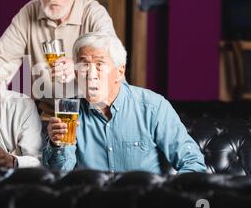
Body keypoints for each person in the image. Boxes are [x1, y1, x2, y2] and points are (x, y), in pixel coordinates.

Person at [43, 33, 207, 174]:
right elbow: (60, 174)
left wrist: (168, 196)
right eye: (84, 65)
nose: (91, 74)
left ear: (119, 72)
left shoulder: (152, 106)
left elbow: (193, 162)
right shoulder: (69, 111)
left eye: (100, 64)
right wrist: (57, 144)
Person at [0, 0, 116, 116]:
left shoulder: (93, 13)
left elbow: (112, 59)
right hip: (47, 117)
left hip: (91, 114)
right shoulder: (29, 12)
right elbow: (0, 64)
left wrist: (79, 66)